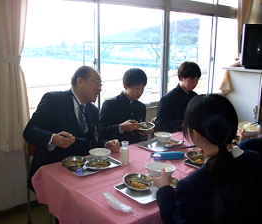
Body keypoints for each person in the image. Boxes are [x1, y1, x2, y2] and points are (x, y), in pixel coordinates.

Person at [151, 94, 262, 224]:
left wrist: (164, 188)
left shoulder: (193, 184)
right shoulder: (256, 159)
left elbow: (174, 221)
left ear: (195, 134)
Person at [23, 66, 120, 191]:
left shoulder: (92, 110)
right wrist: (53, 139)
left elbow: (93, 140)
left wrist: (107, 144)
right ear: (80, 82)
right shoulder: (53, 100)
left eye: (101, 84)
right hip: (54, 168)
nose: (100, 89)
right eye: (96, 82)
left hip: (83, 171)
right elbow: (29, 130)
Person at [98, 68, 152, 144]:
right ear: (125, 86)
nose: (140, 92)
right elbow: (100, 130)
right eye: (137, 88)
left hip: (136, 148)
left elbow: (140, 137)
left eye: (142, 88)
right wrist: (121, 127)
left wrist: (144, 134)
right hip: (116, 148)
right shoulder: (110, 104)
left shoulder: (141, 107)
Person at [155, 61, 201, 133]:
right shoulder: (168, 99)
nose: (195, 83)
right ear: (181, 78)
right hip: (172, 137)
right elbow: (160, 124)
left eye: (197, 80)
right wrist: (181, 124)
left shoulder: (195, 97)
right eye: (192, 80)